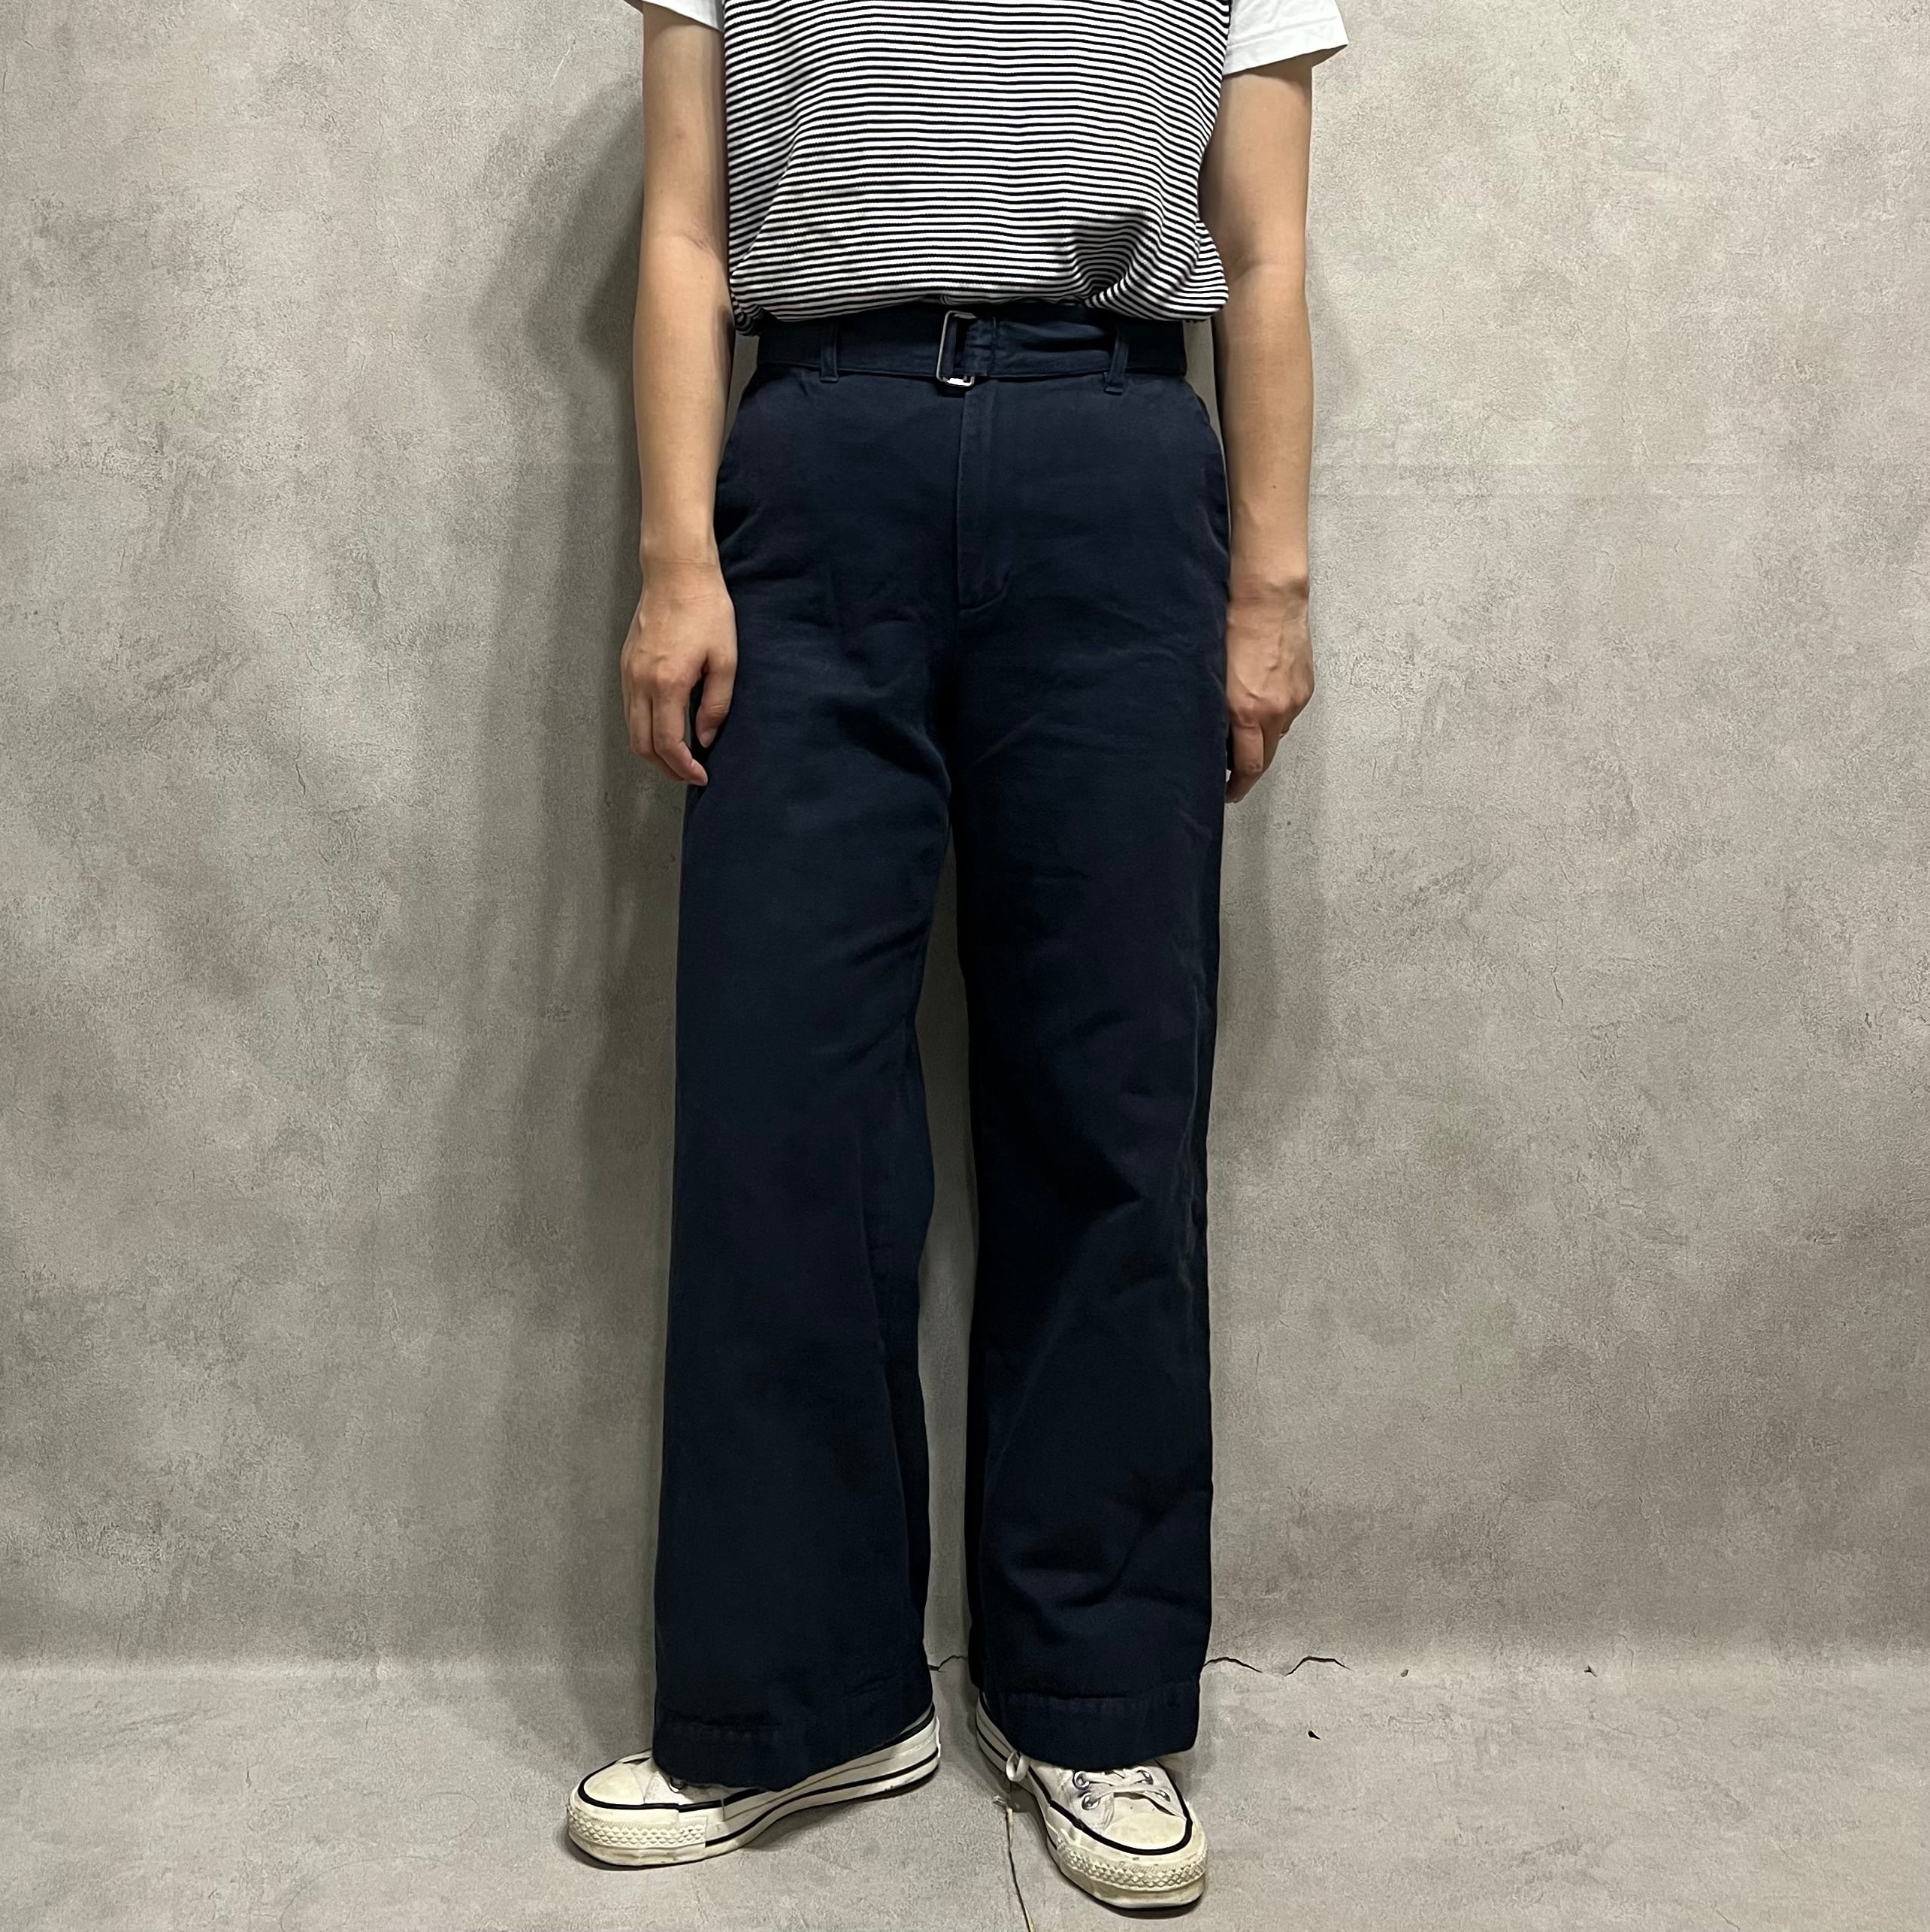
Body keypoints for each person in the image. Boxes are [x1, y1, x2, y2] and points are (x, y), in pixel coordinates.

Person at [564, 0, 1346, 1911]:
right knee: (782, 1102)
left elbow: (1264, 248)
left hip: (1113, 465)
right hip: (814, 462)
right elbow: (685, 225)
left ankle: (1090, 1689)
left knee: (1109, 1095)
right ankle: (793, 1697)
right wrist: (676, 555)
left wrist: (1270, 582)